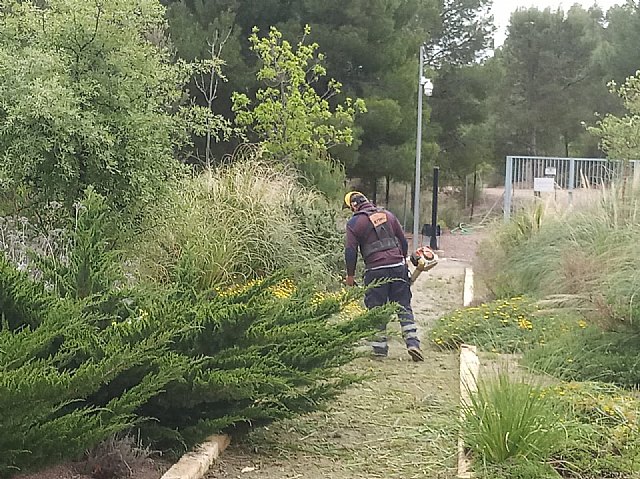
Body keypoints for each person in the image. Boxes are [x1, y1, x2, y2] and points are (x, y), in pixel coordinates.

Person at [343, 191, 424, 362]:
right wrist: (402, 262)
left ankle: (379, 349)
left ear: (353, 206)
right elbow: (402, 241)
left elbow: (350, 251)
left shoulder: (354, 223)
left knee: (376, 309)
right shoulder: (388, 215)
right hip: (397, 267)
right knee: (403, 305)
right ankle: (413, 343)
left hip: (375, 270)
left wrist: (350, 275)